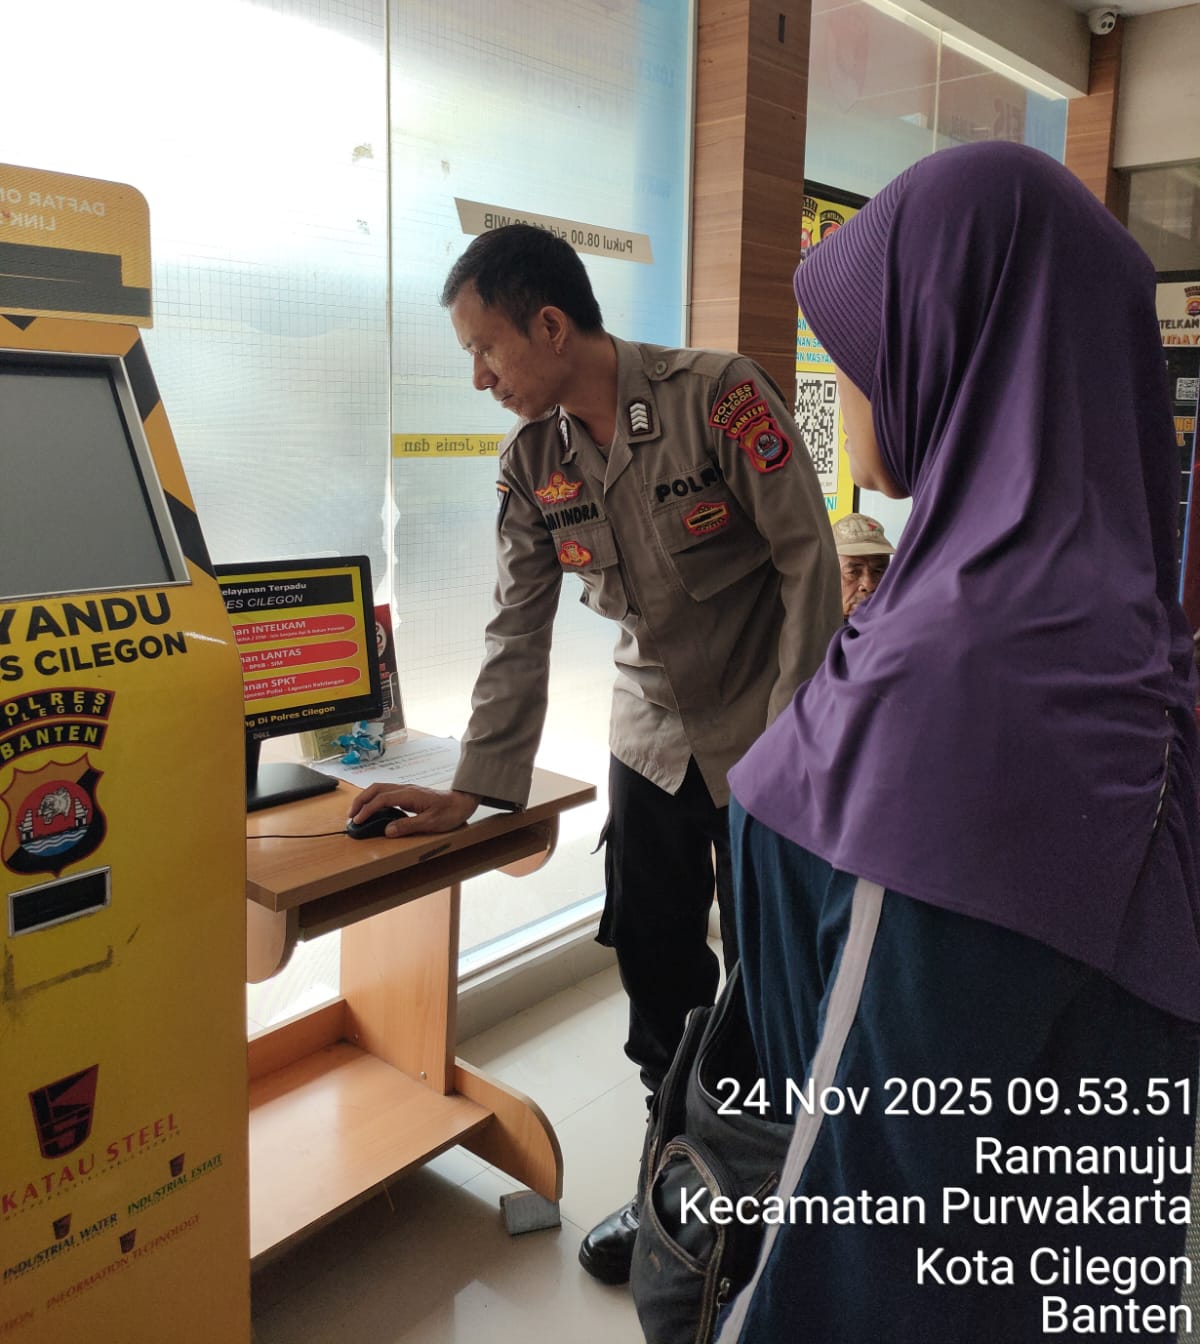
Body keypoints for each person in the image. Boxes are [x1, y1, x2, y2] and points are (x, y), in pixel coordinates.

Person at [716, 142, 1200, 1343]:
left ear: (961, 342)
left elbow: (861, 1199)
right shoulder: (1124, 641)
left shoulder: (961, 695)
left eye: (862, 348)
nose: (848, 381)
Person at [350, 224, 841, 1283]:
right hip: (652, 742)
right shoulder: (531, 464)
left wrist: (796, 742)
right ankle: (676, 1191)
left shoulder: (719, 397)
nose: (480, 378)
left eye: (486, 349)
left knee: (778, 974)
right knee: (656, 972)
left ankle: (789, 1195)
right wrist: (473, 787)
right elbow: (515, 629)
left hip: (769, 733)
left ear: (550, 325)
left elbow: (810, 561)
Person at [831, 509, 895, 617]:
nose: (869, 585)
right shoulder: (808, 623)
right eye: (853, 572)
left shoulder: (899, 623)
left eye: (878, 571)